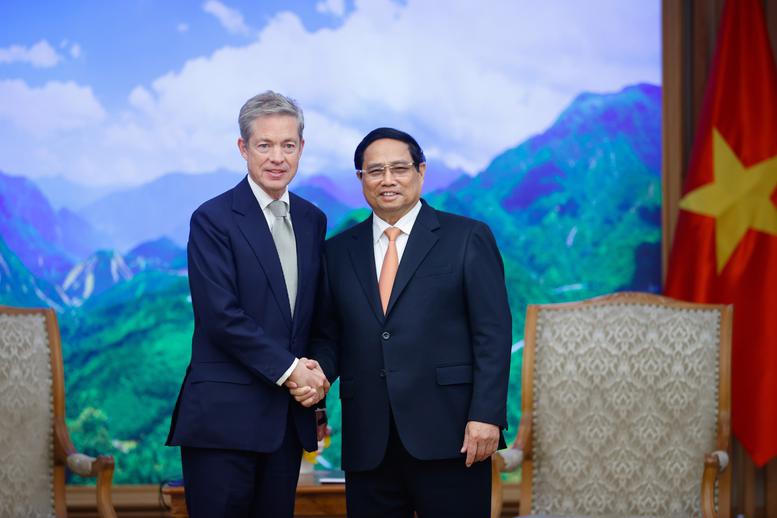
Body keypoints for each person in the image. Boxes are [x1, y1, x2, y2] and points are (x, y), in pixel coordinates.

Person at [294, 127, 512, 517]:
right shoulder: (337, 251)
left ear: (421, 171)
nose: (388, 180)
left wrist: (486, 415)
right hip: (369, 441)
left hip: (453, 435)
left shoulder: (466, 237)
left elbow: (492, 334)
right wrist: (317, 402)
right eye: (374, 171)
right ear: (361, 179)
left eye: (399, 168)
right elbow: (329, 338)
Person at [166, 91, 330, 518]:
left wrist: (320, 378)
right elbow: (221, 317)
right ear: (243, 148)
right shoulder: (213, 218)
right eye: (265, 145)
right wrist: (295, 370)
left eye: (288, 145)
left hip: (286, 424)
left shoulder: (313, 220)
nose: (277, 157)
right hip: (223, 423)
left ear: (301, 149)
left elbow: (315, 317)